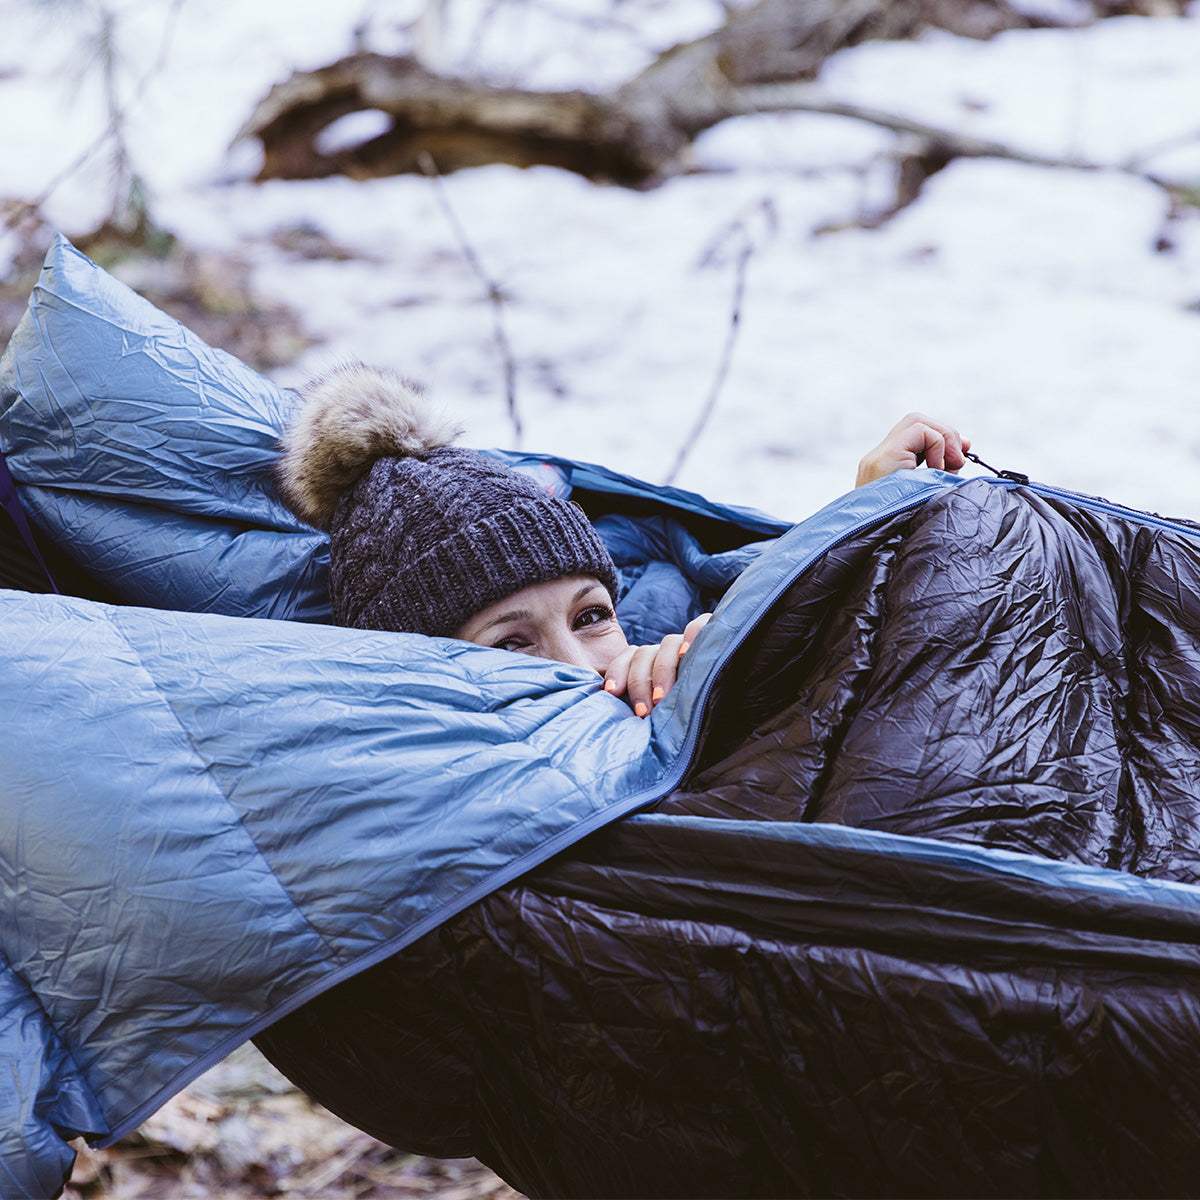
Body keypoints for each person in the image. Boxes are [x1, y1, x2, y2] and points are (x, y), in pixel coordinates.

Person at [276, 363, 969, 718]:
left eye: (591, 616)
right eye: (511, 644)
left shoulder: (666, 657)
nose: (580, 667)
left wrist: (868, 520)